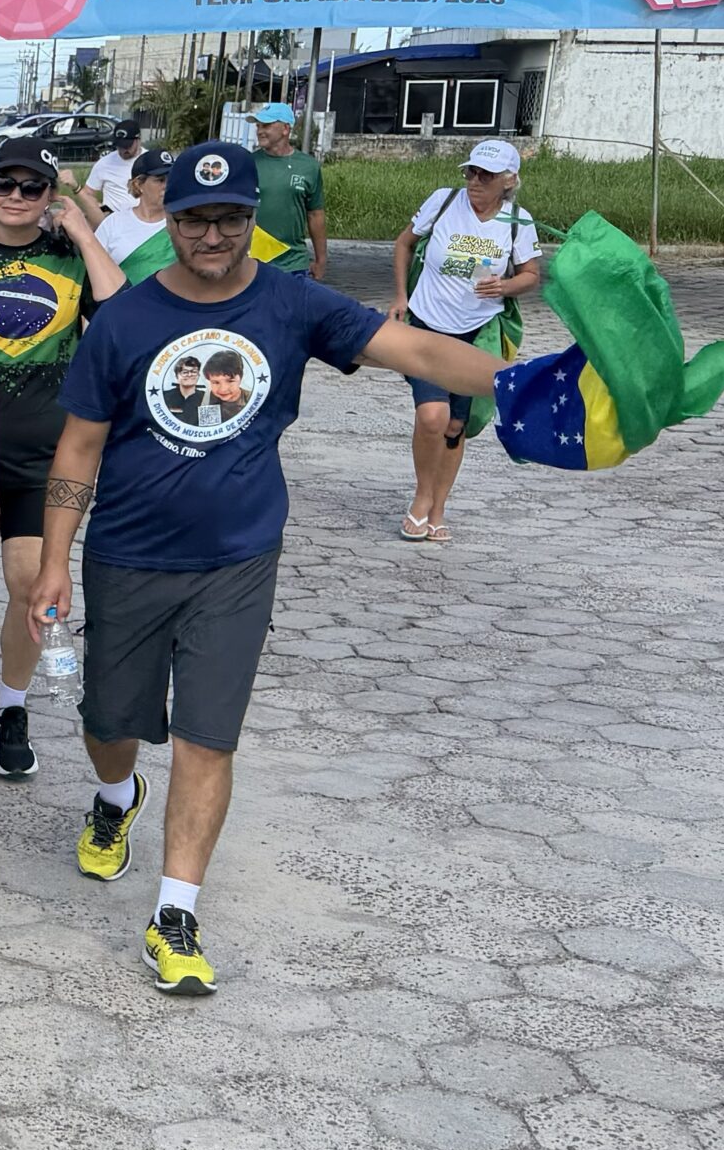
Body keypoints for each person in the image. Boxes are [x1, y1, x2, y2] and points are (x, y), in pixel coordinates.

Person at [28, 141, 508, 997]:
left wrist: (528, 379)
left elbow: (425, 353)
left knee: (210, 738)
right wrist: (53, 561)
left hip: (239, 560)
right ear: (166, 219)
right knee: (111, 724)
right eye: (194, 218)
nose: (212, 234)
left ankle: (175, 913)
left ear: (253, 220)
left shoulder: (294, 304)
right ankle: (115, 797)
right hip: (126, 556)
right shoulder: (127, 321)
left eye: (231, 218)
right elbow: (80, 447)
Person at [0, 137, 125, 779]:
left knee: (29, 584)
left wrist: (83, 228)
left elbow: (121, 313)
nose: (15, 197)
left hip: (43, 452)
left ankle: (12, 706)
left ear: (49, 196)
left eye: (31, 188)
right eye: (4, 184)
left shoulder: (69, 257)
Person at [388, 139, 541, 543]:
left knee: (456, 425)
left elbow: (531, 275)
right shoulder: (443, 201)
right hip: (426, 325)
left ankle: (439, 509)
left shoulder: (517, 222)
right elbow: (405, 243)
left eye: (486, 175)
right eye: (471, 172)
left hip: (476, 332)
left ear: (508, 181)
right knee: (432, 417)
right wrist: (401, 296)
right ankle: (421, 500)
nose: (475, 181)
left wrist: (505, 287)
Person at [250, 102, 326, 278]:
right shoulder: (248, 164)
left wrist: (321, 260)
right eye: (258, 126)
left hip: (294, 264)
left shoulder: (309, 167)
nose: (260, 131)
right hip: (254, 263)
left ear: (285, 129)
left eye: (266, 125)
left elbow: (315, 214)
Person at [93, 147, 172, 262]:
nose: (167, 185)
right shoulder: (113, 224)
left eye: (170, 179)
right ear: (139, 185)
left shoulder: (181, 223)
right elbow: (94, 264)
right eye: (160, 180)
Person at [86, 122, 145, 214]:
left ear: (138, 140)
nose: (123, 150)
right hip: (113, 220)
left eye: (128, 146)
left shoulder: (149, 160)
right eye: (120, 146)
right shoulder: (104, 163)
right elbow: (88, 192)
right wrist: (100, 209)